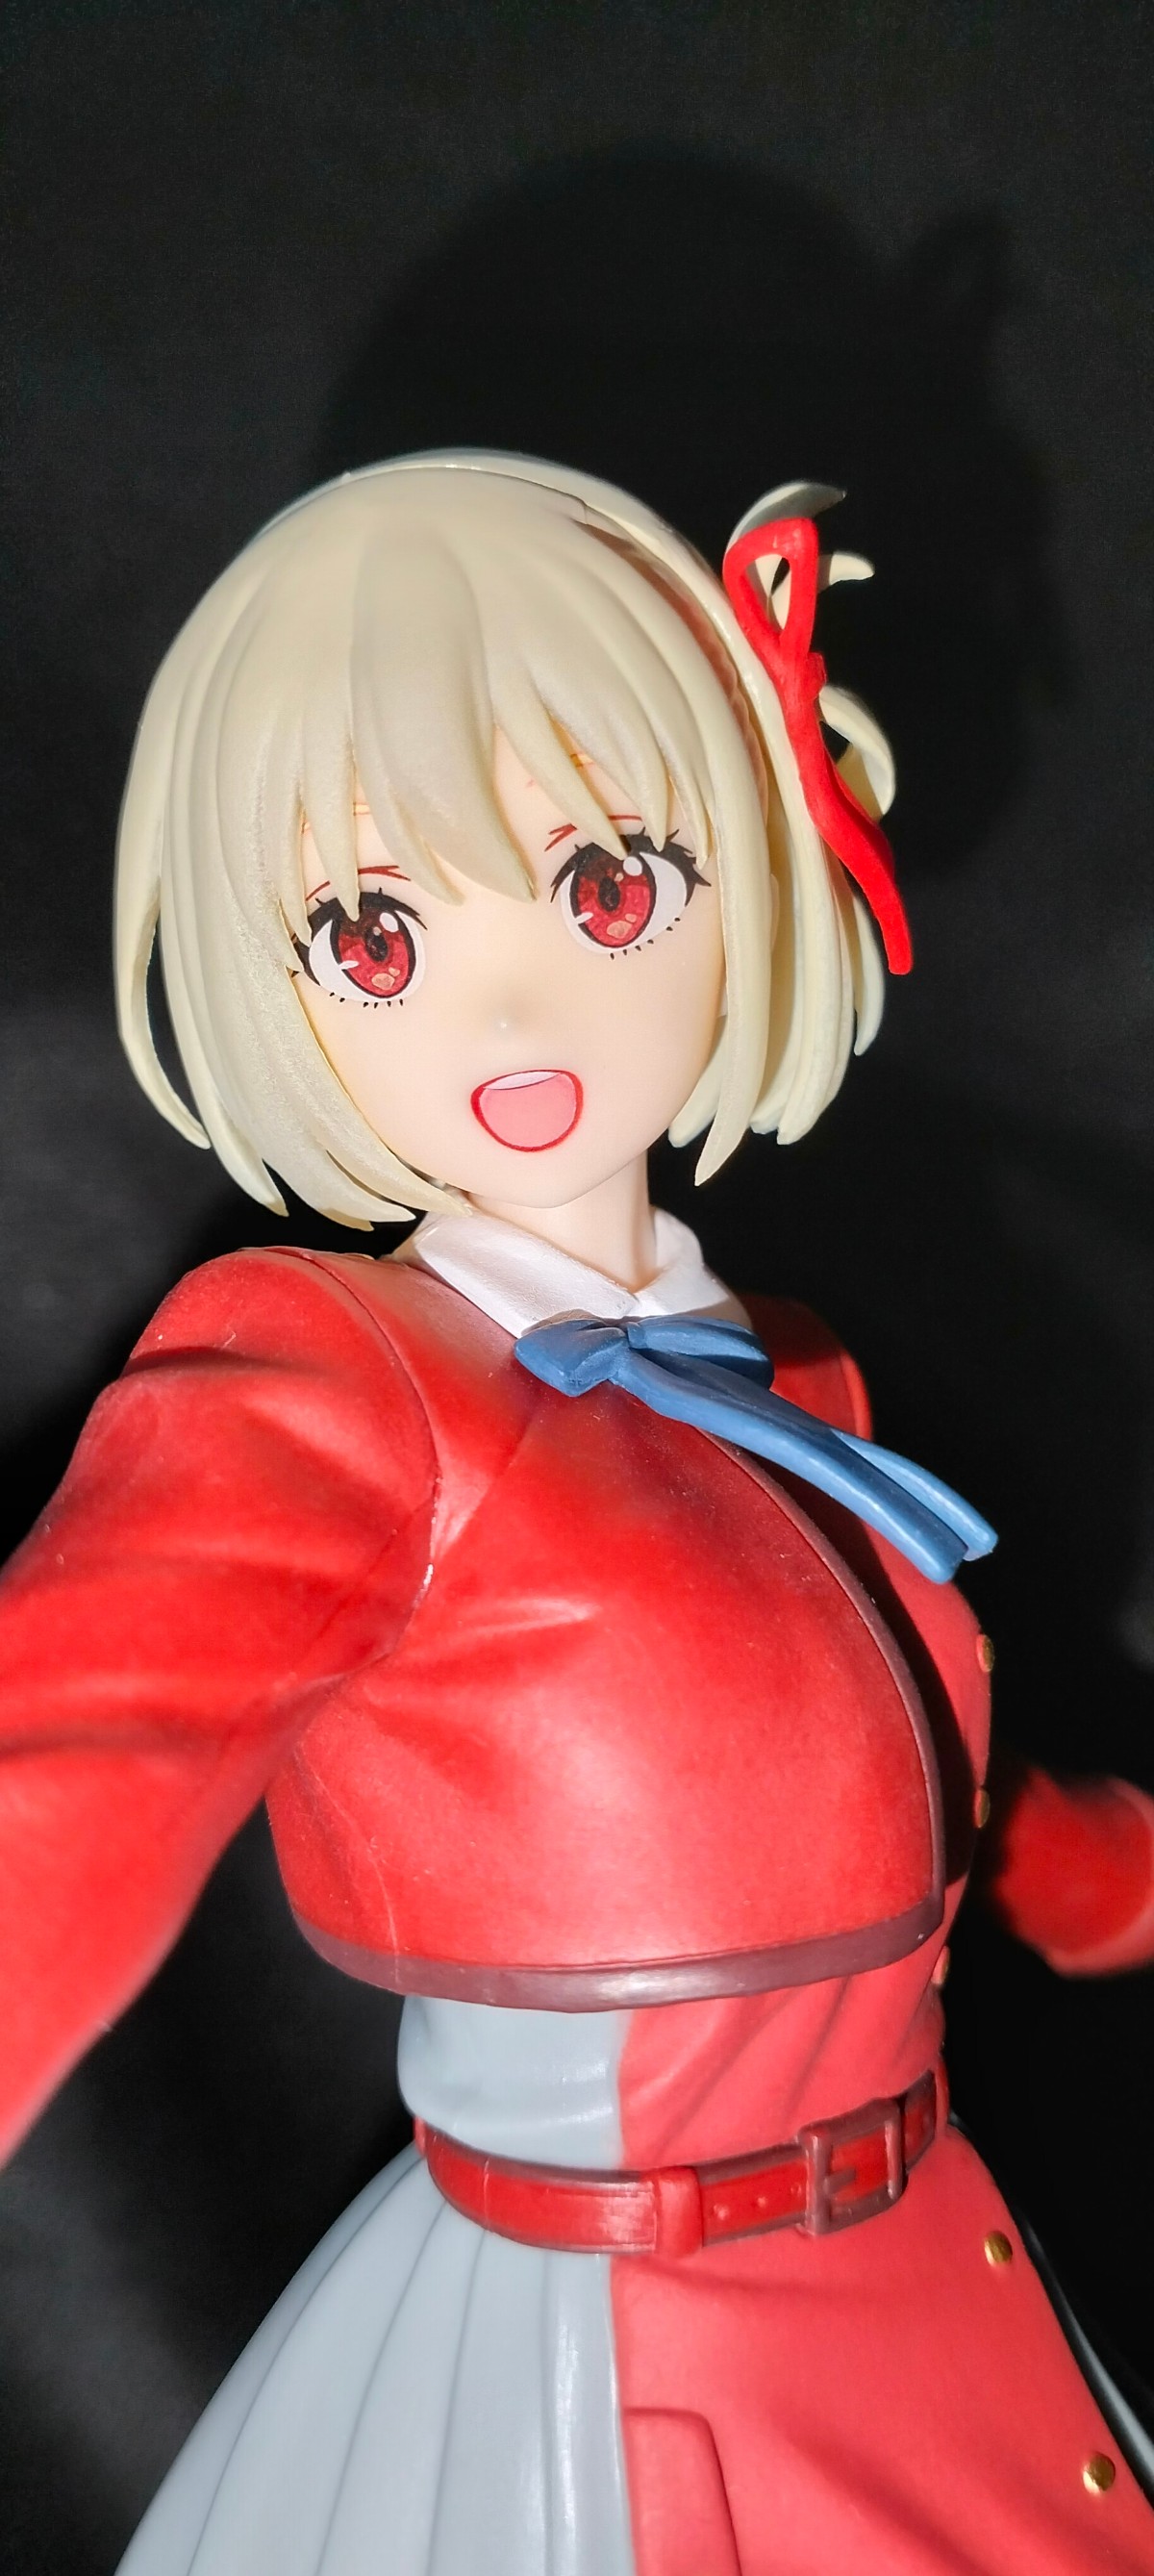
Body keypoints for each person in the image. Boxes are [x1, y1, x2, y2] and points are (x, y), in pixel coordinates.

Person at [2, 454, 1152, 2573]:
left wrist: (1108, 1875)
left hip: (933, 2274)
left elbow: (907, 1782)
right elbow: (54, 1774)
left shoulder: (792, 1376)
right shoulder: (332, 1382)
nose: (509, 1008)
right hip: (605, 2372)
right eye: (373, 931)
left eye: (607, 884)